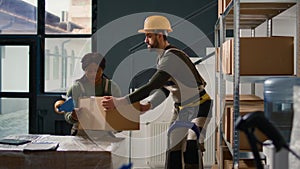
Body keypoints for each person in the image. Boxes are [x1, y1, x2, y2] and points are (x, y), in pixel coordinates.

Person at [101, 15, 212, 169]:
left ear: (159, 35)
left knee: (191, 145)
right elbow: (165, 88)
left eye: (148, 36)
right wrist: (150, 105)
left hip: (200, 106)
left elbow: (151, 85)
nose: (145, 40)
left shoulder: (172, 56)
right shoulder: (163, 58)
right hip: (181, 109)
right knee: (173, 148)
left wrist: (119, 102)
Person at [57, 52, 121, 136]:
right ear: (84, 70)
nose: (93, 74)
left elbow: (120, 111)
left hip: (106, 134)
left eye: (97, 71)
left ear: (102, 70)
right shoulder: (76, 88)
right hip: (81, 134)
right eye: (89, 71)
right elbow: (67, 114)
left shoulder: (112, 87)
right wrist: (73, 116)